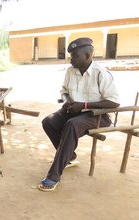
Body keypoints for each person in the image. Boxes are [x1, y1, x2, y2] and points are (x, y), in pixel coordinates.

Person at [38, 37, 120, 192]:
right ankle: (69, 156)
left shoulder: (101, 74)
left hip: (97, 116)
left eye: (74, 56)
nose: (71, 60)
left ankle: (54, 176)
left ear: (88, 56)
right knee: (48, 122)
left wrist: (84, 105)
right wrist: (67, 100)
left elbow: (114, 102)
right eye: (71, 56)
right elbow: (64, 91)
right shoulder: (71, 71)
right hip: (74, 111)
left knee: (72, 125)